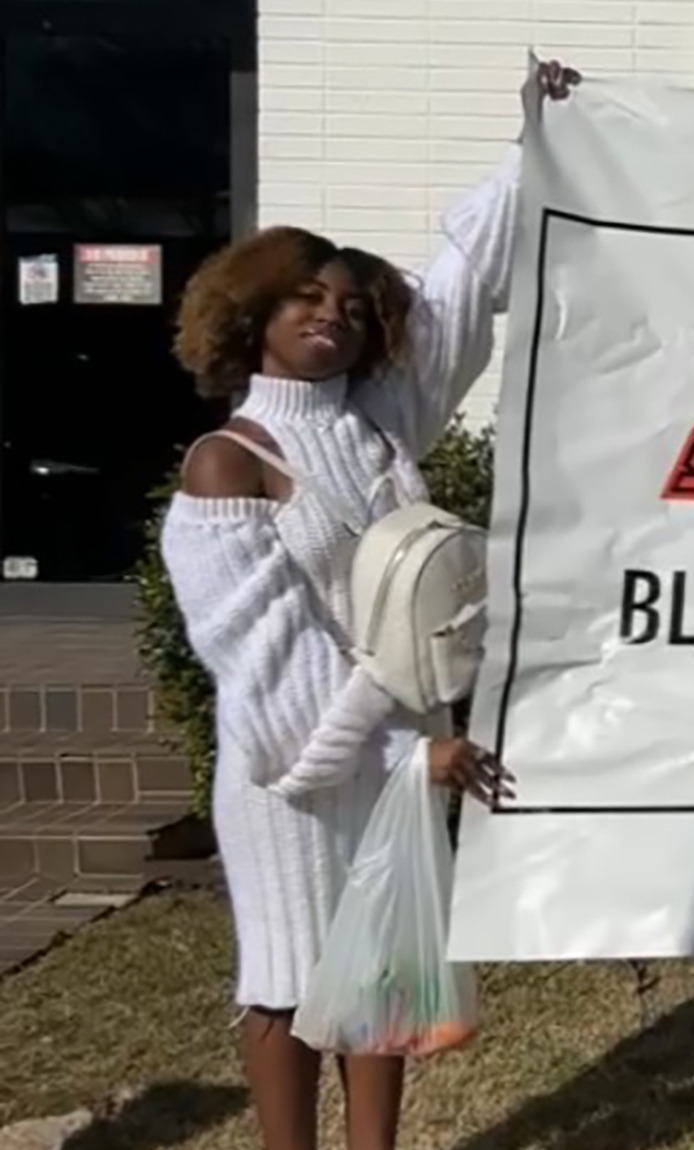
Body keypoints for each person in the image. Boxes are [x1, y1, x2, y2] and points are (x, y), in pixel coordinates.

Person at [157, 59, 579, 1150]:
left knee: (382, 972)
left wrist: (531, 140)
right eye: (307, 299)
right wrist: (401, 752)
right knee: (293, 977)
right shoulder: (227, 463)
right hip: (294, 777)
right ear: (251, 315)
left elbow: (459, 288)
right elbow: (267, 672)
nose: (332, 318)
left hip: (403, 750)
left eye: (351, 305)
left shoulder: (379, 428)